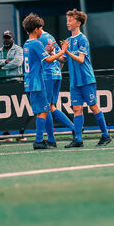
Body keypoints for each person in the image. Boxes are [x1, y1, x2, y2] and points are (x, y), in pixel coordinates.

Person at [64, 9, 112, 148]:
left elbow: (80, 59)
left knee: (93, 106)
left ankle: (105, 135)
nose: (68, 22)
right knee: (77, 109)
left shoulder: (82, 39)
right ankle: (78, 139)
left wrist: (66, 52)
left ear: (78, 23)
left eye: (70, 20)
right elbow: (63, 59)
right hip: (75, 82)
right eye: (67, 20)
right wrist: (52, 53)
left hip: (86, 80)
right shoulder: (68, 40)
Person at [21, 13, 68, 149]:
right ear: (36, 29)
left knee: (44, 109)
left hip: (29, 82)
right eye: (40, 28)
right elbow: (48, 60)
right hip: (37, 82)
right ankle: (39, 140)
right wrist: (62, 51)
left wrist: (47, 51)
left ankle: (43, 140)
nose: (41, 30)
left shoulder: (27, 44)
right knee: (44, 110)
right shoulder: (35, 43)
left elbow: (39, 57)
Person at [40, 29, 75, 147]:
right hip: (56, 74)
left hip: (47, 74)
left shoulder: (38, 39)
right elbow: (63, 59)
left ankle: (51, 139)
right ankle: (75, 129)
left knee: (46, 108)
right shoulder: (50, 36)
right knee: (51, 107)